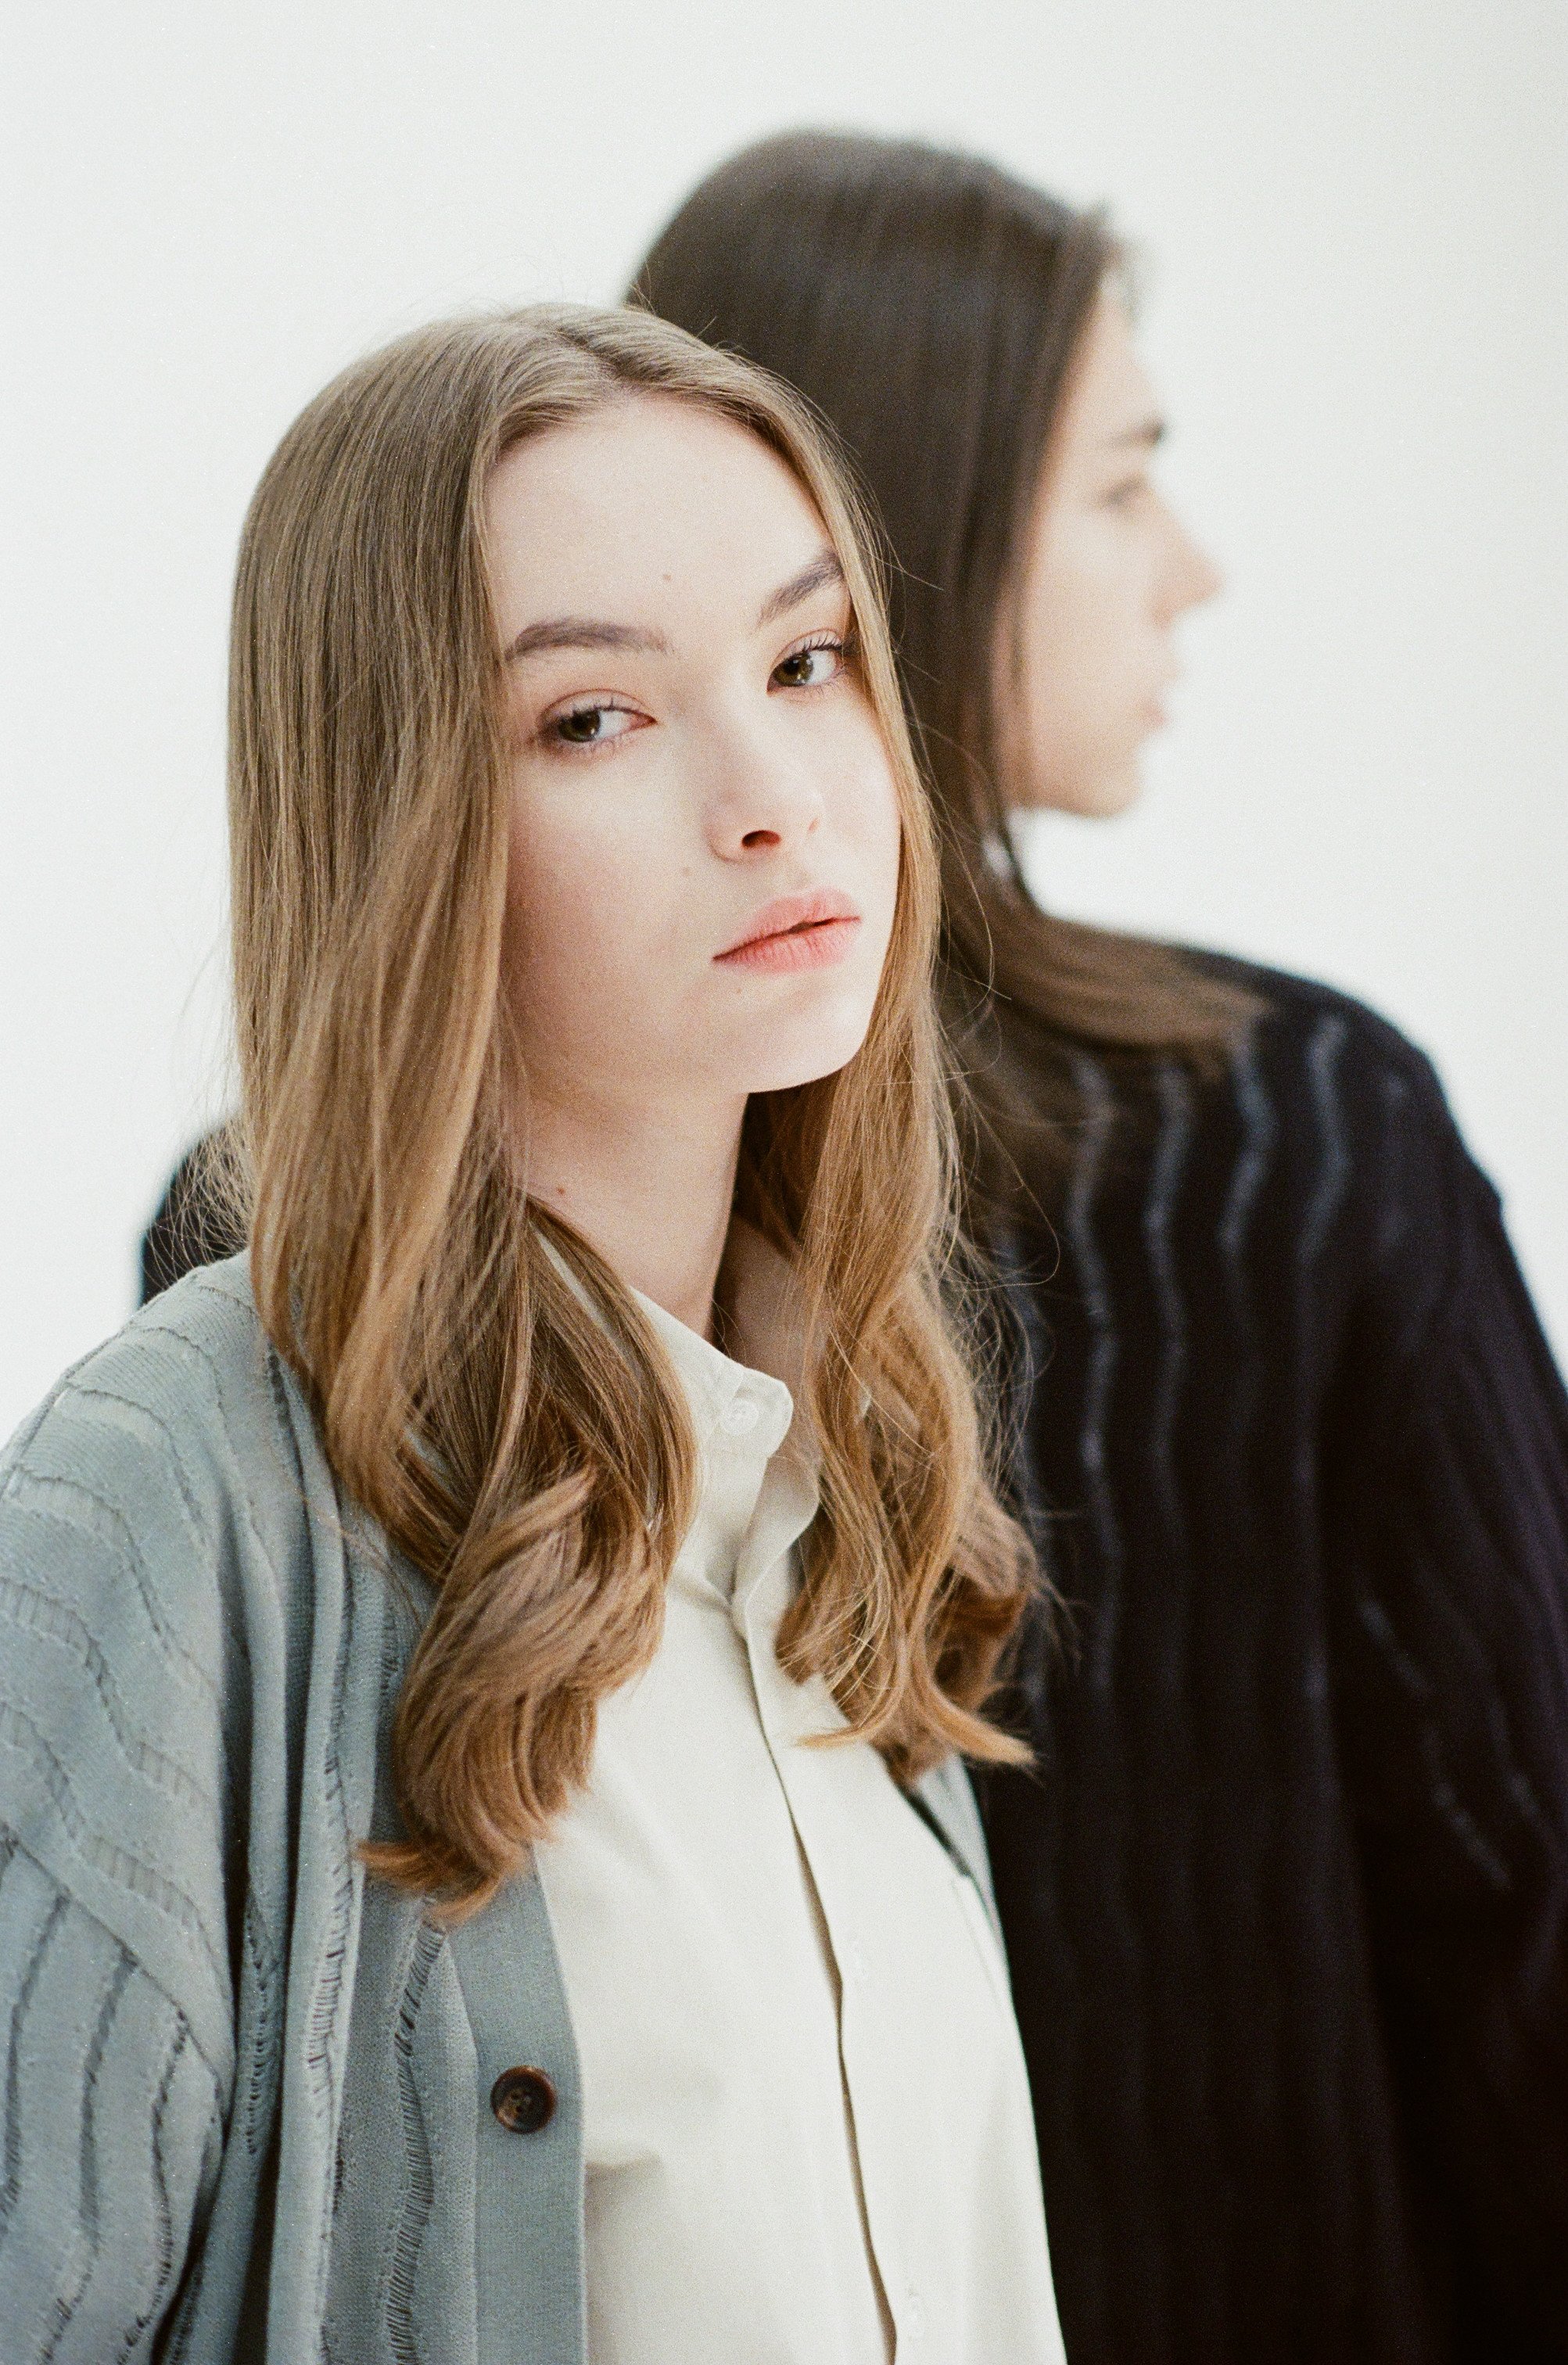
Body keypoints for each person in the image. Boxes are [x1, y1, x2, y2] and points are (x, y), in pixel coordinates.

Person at [0, 303, 1067, 2362]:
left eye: (805, 661)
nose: (776, 798)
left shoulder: (837, 1502)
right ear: (411, 819)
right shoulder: (176, 1495)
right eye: (594, 718)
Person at [621, 135, 1568, 2363]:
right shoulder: (1307, 1132)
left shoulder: (312, 1209)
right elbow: (1529, 1913)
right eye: (1126, 485)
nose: (1195, 570)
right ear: (926, 536)